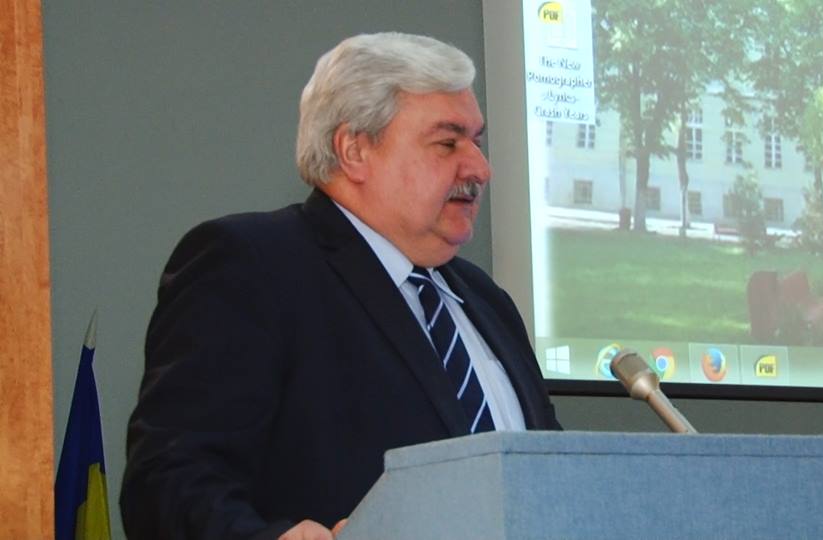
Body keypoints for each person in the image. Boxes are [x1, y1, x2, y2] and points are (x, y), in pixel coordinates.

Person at [120, 32, 562, 540]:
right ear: (354, 150)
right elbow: (168, 481)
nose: (480, 169)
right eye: (448, 143)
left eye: (476, 142)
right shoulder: (250, 266)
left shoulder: (486, 300)